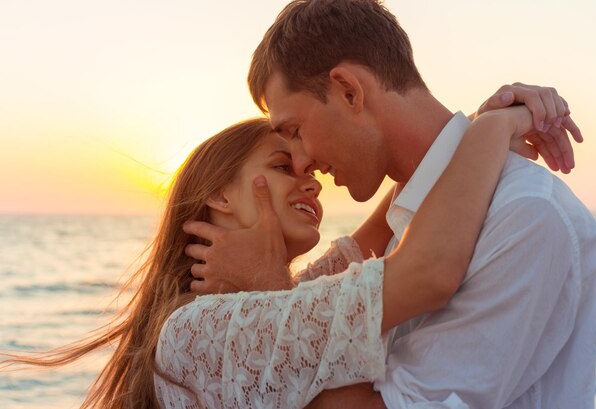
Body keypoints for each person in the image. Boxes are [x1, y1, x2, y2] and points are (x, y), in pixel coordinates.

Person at [184, 0, 596, 408]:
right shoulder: (404, 222)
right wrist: (485, 127)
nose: (301, 163)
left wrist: (488, 129)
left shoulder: (524, 216)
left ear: (349, 91)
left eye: (294, 131)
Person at [2, 105, 564, 409]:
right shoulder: (190, 330)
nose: (313, 184)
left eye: (313, 173)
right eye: (282, 166)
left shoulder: (290, 294)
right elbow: (425, 269)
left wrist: (471, 126)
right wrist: (496, 128)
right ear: (220, 196)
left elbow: (398, 212)